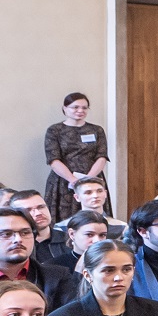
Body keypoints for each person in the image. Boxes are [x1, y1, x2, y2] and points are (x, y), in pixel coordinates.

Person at [42, 92, 109, 223]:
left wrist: (88, 180)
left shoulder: (97, 130)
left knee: (94, 217)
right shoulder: (54, 130)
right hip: (64, 181)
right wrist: (73, 181)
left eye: (84, 108)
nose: (80, 111)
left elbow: (102, 157)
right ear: (65, 108)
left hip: (93, 179)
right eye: (75, 107)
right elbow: (53, 159)